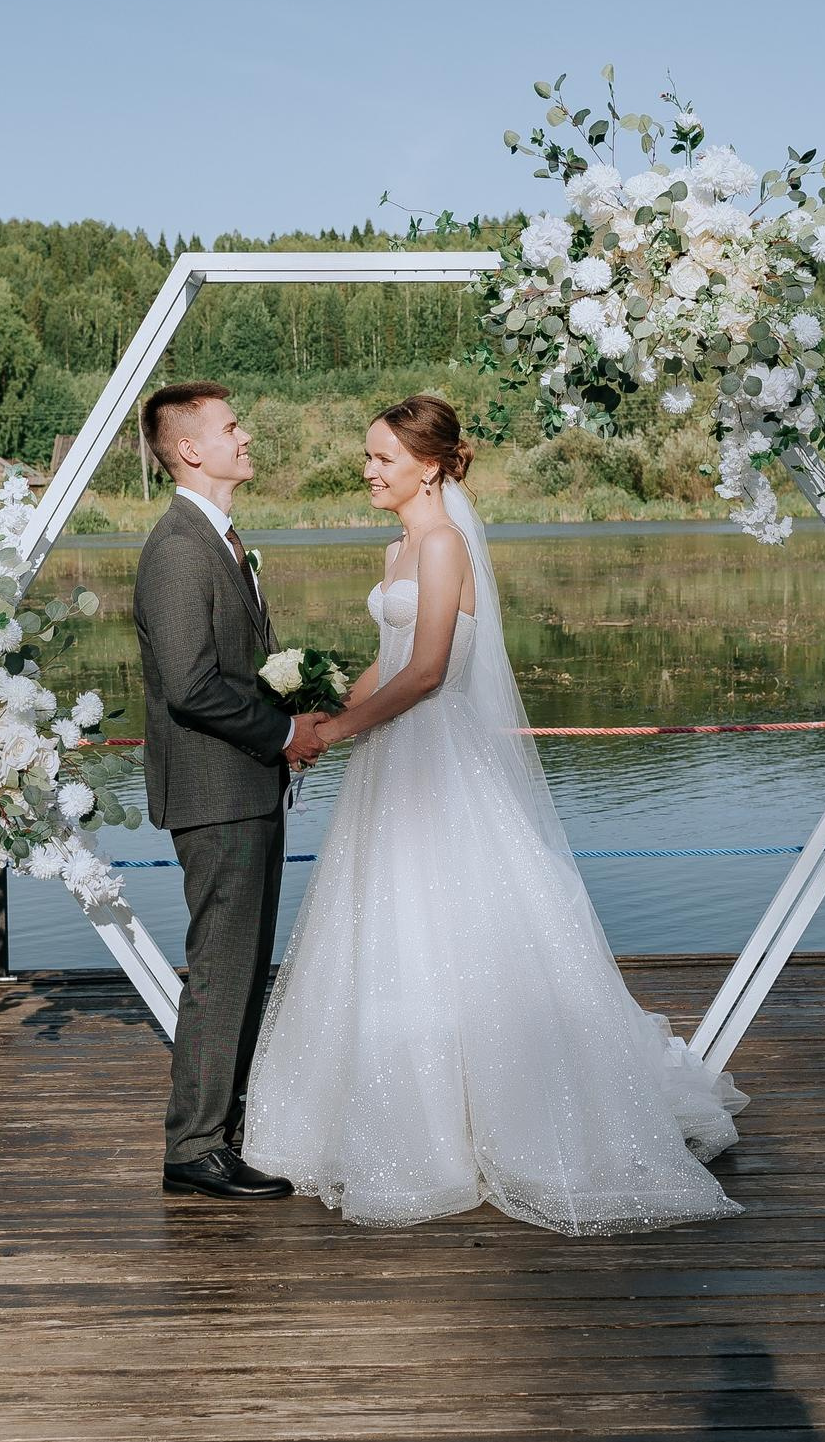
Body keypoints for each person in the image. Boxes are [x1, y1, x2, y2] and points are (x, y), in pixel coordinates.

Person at [239, 395, 746, 1235]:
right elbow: (389, 662)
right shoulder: (398, 546)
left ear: (430, 464)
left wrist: (338, 731)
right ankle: (402, 1111)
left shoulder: (444, 544)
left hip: (435, 754)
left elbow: (429, 670)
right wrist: (320, 716)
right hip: (393, 757)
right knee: (388, 924)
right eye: (368, 456)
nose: (368, 470)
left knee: (455, 923)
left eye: (383, 458)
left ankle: (488, 1122)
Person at [134, 381, 326, 1201]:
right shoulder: (180, 549)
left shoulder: (221, 538)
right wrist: (282, 732)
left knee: (242, 966)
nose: (246, 437)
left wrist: (295, 704)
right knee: (222, 966)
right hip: (216, 795)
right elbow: (190, 686)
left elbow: (238, 669)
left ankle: (223, 1128)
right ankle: (195, 1147)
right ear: (190, 449)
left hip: (244, 786)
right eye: (231, 427)